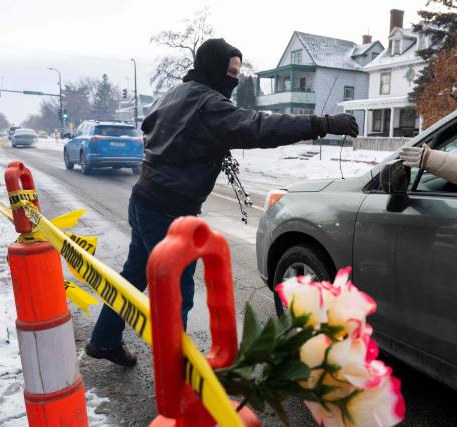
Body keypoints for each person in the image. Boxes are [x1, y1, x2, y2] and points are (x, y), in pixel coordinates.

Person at [85, 38, 359, 367]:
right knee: (177, 294)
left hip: (144, 198)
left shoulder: (177, 93)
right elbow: (259, 127)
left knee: (133, 275)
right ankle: (175, 377)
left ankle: (103, 340)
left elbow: (150, 125)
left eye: (238, 73)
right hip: (170, 212)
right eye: (230, 72)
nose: (234, 79)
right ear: (213, 69)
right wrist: (322, 124)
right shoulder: (207, 103)